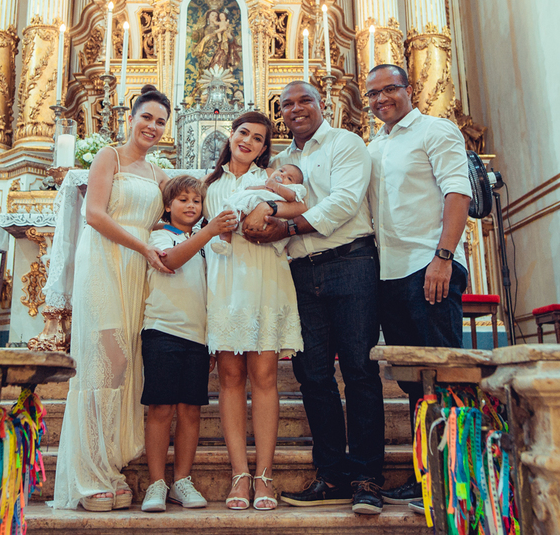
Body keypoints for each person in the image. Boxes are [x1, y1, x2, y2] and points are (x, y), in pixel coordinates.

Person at [244, 81, 385, 516]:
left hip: (351, 261)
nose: (297, 108)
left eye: (305, 100)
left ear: (321, 105)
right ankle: (331, 475)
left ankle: (366, 478)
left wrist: (286, 227)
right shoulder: (282, 162)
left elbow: (344, 202)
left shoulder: (346, 142)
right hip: (300, 273)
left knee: (360, 370)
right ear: (281, 113)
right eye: (287, 104)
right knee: (314, 375)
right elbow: (264, 204)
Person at [52, 85, 173, 512]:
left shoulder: (160, 175)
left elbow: (186, 210)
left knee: (129, 364)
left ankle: (112, 468)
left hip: (140, 271)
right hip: (105, 260)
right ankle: (89, 476)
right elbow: (95, 214)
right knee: (106, 360)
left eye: (161, 121)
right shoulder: (109, 157)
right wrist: (142, 248)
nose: (153, 127)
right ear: (131, 117)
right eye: (147, 118)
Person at [363, 64, 472, 507]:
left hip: (429, 267)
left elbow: (457, 193)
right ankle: (425, 474)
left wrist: (443, 257)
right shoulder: (374, 146)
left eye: (390, 89)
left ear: (409, 90)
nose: (381, 98)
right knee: (413, 380)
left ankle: (455, 478)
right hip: (389, 273)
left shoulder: (436, 131)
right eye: (373, 93)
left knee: (442, 374)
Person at [204, 111, 305, 511]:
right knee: (230, 376)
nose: (248, 141)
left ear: (266, 148)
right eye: (243, 133)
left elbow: (302, 206)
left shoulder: (270, 180)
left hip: (264, 280)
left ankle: (264, 475)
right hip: (225, 283)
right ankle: (239, 475)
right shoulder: (209, 185)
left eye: (259, 138)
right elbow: (197, 229)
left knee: (264, 376)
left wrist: (271, 208)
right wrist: (217, 226)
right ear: (231, 135)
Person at [141, 176, 239, 512]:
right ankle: (156, 483)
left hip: (197, 338)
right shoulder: (158, 235)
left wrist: (212, 337)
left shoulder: (204, 242)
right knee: (161, 408)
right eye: (183, 200)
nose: (191, 206)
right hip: (162, 331)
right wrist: (207, 232)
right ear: (168, 205)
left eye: (197, 201)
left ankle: (181, 480)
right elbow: (169, 262)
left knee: (190, 411)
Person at [211, 164, 307, 255]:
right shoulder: (263, 180)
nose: (282, 174)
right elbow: (248, 189)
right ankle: (225, 243)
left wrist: (276, 186)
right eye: (281, 170)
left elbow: (291, 197)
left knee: (238, 213)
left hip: (266, 217)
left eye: (289, 178)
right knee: (230, 215)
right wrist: (264, 187)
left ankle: (234, 223)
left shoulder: (291, 189)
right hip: (249, 206)